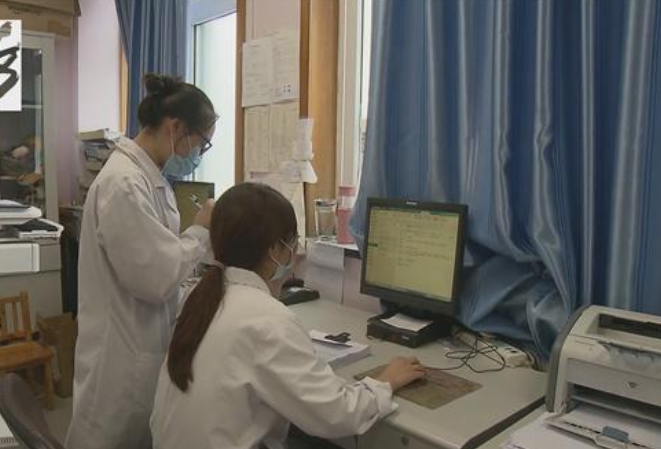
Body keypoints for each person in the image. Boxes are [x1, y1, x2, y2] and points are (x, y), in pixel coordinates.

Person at [150, 183, 426, 449]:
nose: (296, 253)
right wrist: (385, 382)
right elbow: (337, 414)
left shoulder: (199, 297)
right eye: (292, 243)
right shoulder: (266, 319)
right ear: (275, 250)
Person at [66, 74, 218, 449]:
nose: (198, 155)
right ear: (175, 128)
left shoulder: (147, 178)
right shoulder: (124, 184)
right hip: (119, 361)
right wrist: (200, 232)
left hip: (137, 345)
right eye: (201, 143)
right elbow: (156, 277)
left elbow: (154, 259)